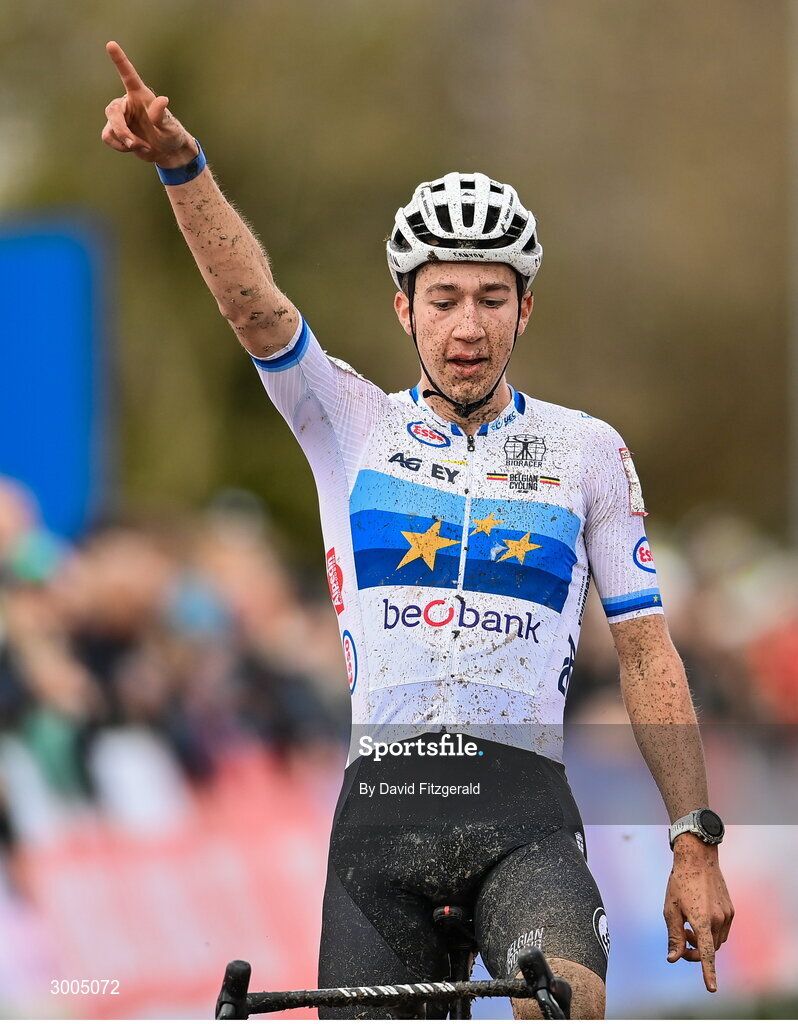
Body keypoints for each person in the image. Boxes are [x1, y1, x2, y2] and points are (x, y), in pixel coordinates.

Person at [101, 41, 734, 1020]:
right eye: (444, 299)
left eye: (491, 298)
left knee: (563, 1000)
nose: (468, 325)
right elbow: (251, 305)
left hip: (523, 815)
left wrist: (694, 840)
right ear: (405, 308)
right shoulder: (348, 422)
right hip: (381, 821)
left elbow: (649, 653)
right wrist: (184, 167)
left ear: (527, 308)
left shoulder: (587, 452)